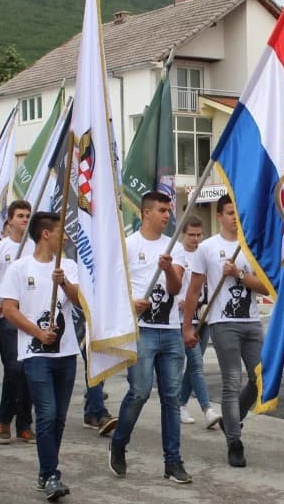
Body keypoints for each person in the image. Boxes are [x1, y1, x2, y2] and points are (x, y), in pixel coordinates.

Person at [108, 191, 191, 484]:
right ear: (145, 213)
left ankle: (173, 461)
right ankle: (119, 442)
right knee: (140, 391)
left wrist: (168, 270)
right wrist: (132, 302)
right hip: (141, 329)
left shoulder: (175, 248)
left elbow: (175, 287)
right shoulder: (129, 245)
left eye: (169, 210)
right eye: (161, 210)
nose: (167, 215)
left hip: (169, 331)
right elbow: (115, 286)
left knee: (171, 397)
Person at [182, 195, 268, 467]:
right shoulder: (207, 248)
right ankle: (234, 442)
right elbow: (194, 289)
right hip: (223, 323)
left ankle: (234, 416)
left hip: (252, 322)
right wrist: (188, 326)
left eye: (237, 213)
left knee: (261, 378)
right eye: (230, 213)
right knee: (231, 380)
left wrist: (239, 274)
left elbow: (266, 287)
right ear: (219, 216)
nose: (234, 218)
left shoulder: (250, 246)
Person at [0, 211, 80, 501]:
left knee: (58, 417)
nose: (66, 237)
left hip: (67, 352)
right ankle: (52, 474)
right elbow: (9, 308)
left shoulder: (68, 266)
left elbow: (81, 301)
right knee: (45, 414)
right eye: (61, 231)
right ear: (46, 233)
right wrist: (36, 333)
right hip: (36, 354)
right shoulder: (19, 269)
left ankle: (46, 472)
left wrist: (65, 284)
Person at [0, 200, 35, 443]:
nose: (24, 219)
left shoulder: (34, 248)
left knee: (29, 369)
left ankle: (25, 424)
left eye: (28, 215)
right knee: (14, 368)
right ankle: (4, 420)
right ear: (9, 220)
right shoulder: (0, 249)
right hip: (8, 315)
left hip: (30, 316)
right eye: (20, 215)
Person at [173, 215, 218, 428]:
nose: (196, 239)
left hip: (204, 316)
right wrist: (178, 302)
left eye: (199, 235)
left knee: (193, 364)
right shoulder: (178, 254)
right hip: (183, 318)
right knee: (197, 363)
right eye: (191, 235)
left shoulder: (206, 253)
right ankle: (207, 408)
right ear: (183, 234)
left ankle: (180, 404)